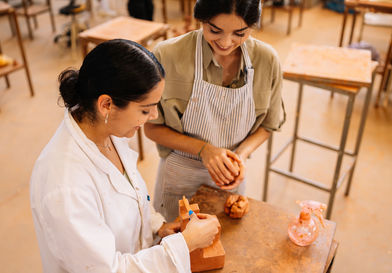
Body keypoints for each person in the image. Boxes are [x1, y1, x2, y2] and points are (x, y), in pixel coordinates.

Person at [30, 39, 219, 273]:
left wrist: (158, 227)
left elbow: (130, 194)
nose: (153, 115)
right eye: (145, 108)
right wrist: (185, 244)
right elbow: (108, 270)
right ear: (107, 104)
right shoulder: (65, 185)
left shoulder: (108, 130)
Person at [144, 0, 285, 222]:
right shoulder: (168, 55)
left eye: (240, 33)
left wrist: (239, 156)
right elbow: (152, 128)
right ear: (201, 19)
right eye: (214, 30)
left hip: (231, 176)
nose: (226, 42)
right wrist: (204, 150)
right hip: (180, 176)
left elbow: (269, 125)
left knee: (224, 246)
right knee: (173, 245)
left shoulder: (266, 60)